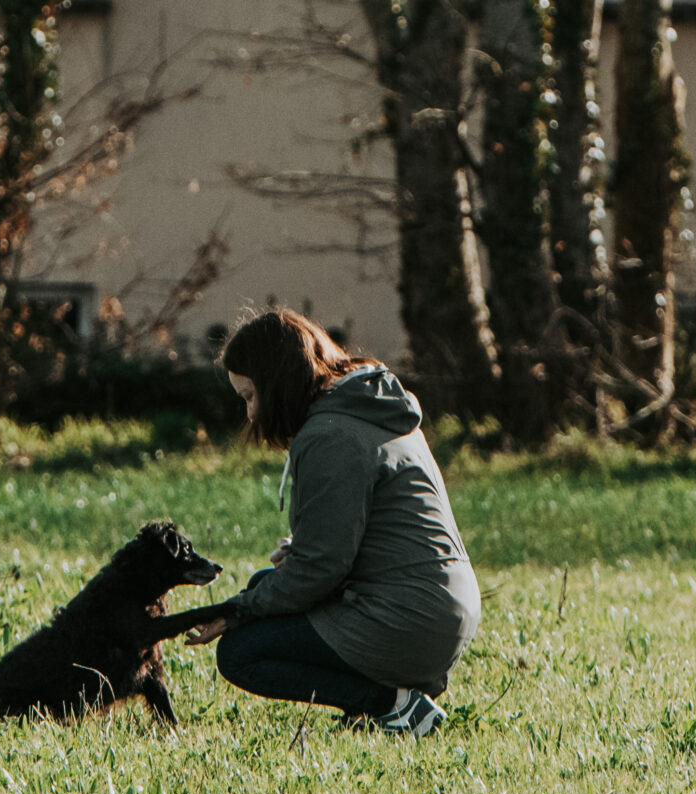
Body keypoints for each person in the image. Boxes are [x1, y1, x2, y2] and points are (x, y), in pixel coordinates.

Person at [179, 309, 479, 733]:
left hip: (409, 619)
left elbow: (319, 571)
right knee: (263, 585)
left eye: (250, 397)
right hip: (442, 608)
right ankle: (394, 699)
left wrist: (235, 612)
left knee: (241, 653)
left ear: (277, 384)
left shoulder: (330, 435)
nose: (249, 415)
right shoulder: (368, 409)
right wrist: (295, 556)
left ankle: (390, 706)